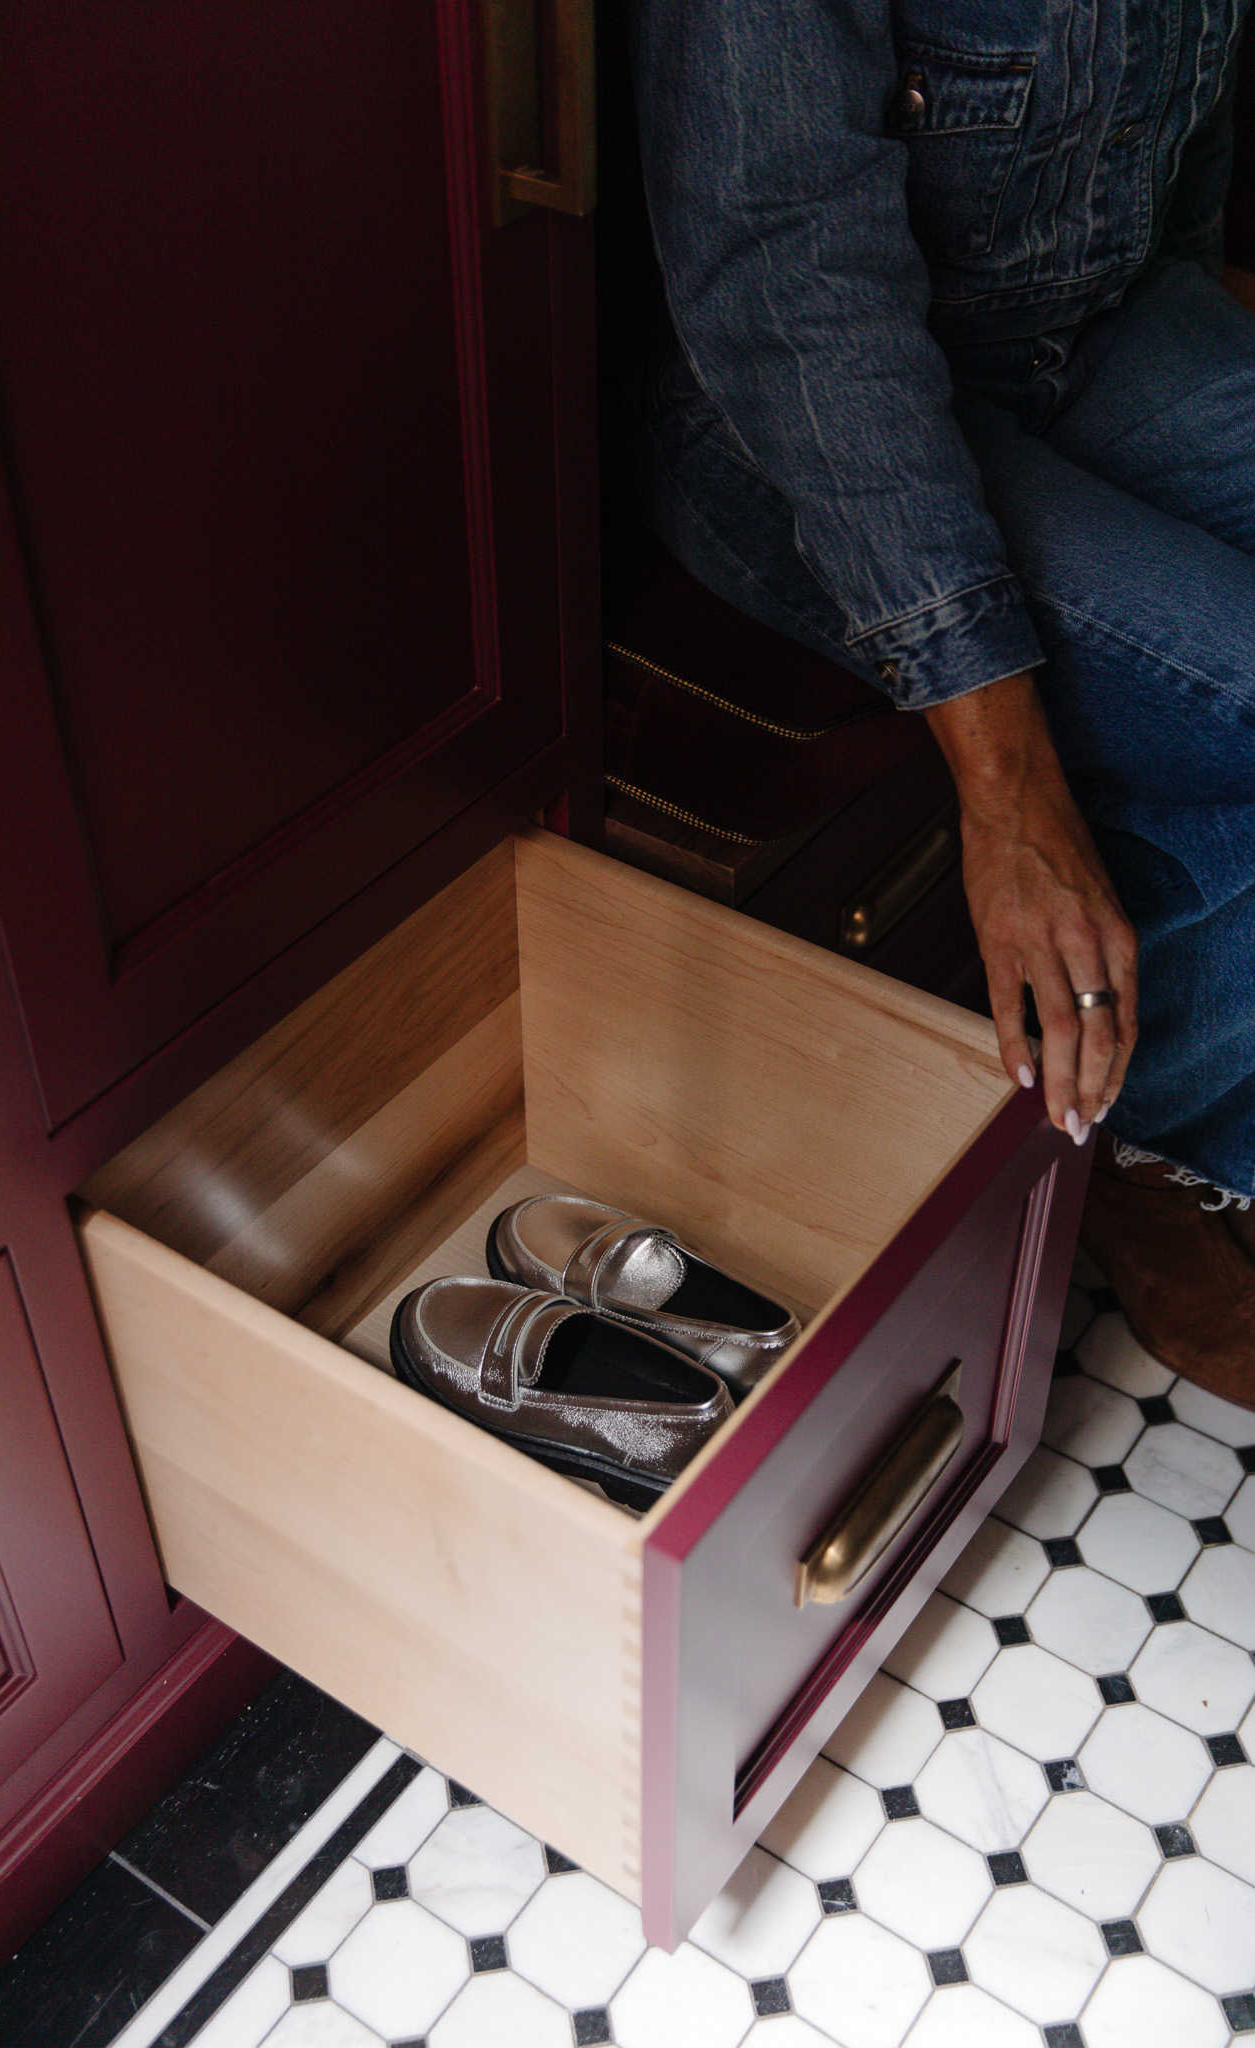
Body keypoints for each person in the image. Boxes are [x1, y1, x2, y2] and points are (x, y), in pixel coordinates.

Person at [627, 0, 1255, 1404]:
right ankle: (1159, 1157)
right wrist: (1007, 785)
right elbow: (790, 295)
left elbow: (1184, 146)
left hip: (1095, 324)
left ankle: (1202, 1080)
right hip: (792, 414)